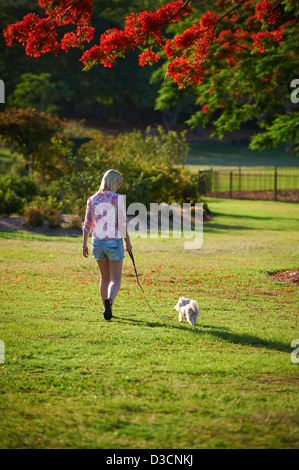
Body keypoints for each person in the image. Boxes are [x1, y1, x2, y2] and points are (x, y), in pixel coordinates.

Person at [82, 169, 132, 320]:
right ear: (112, 182)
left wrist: (84, 244)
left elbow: (87, 224)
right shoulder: (118, 199)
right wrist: (128, 243)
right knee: (115, 279)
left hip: (97, 242)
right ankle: (110, 301)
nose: (119, 187)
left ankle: (106, 309)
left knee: (104, 278)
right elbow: (122, 224)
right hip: (114, 242)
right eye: (118, 183)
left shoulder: (92, 199)